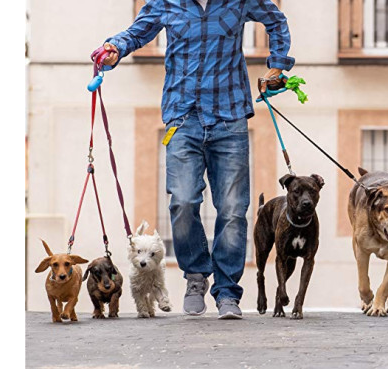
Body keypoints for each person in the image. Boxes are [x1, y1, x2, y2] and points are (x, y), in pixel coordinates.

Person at [97, 0, 293, 319]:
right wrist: (114, 48)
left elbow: (276, 20)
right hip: (181, 118)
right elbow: (137, 32)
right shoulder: (166, 3)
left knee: (232, 209)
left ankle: (227, 291)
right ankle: (196, 276)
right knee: (183, 201)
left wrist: (278, 64)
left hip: (229, 117)